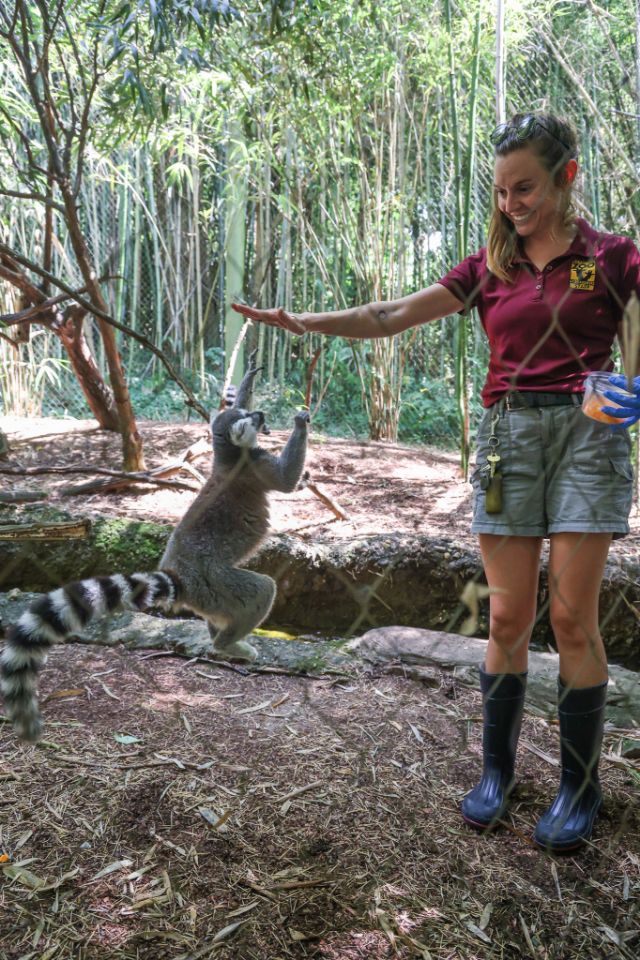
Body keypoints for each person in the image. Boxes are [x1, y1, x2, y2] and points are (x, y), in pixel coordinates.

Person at [232, 112, 640, 853]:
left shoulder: (612, 257)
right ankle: (497, 773)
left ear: (567, 176)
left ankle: (580, 786)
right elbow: (389, 313)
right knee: (509, 618)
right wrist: (301, 322)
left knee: (574, 620)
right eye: (501, 191)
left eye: (525, 188)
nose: (511, 203)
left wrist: (633, 387)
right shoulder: (489, 265)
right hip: (507, 438)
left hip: (590, 438)